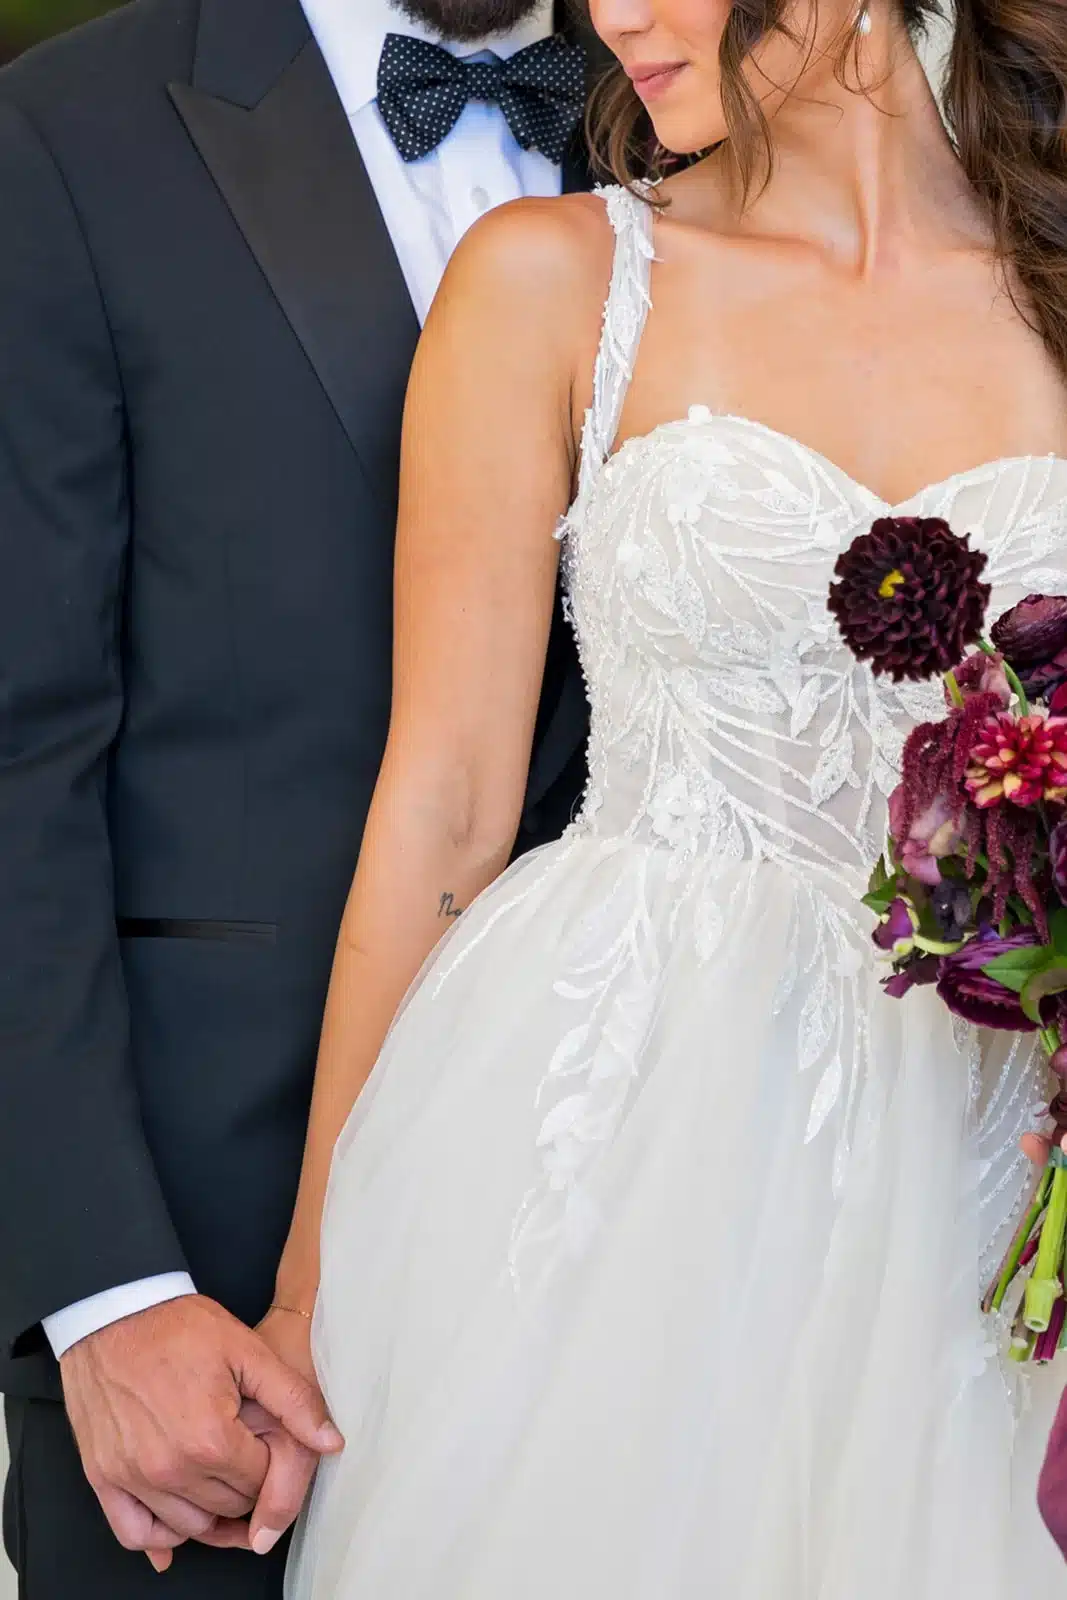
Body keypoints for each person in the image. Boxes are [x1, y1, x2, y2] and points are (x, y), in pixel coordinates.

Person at [254, 0, 1067, 1592]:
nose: (605, 12)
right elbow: (445, 797)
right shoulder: (550, 278)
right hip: (617, 1117)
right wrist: (310, 1279)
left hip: (993, 1157)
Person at [0, 0, 594, 1593]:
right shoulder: (65, 136)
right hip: (209, 1275)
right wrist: (104, 1288)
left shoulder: (713, 107)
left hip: (651, 1220)